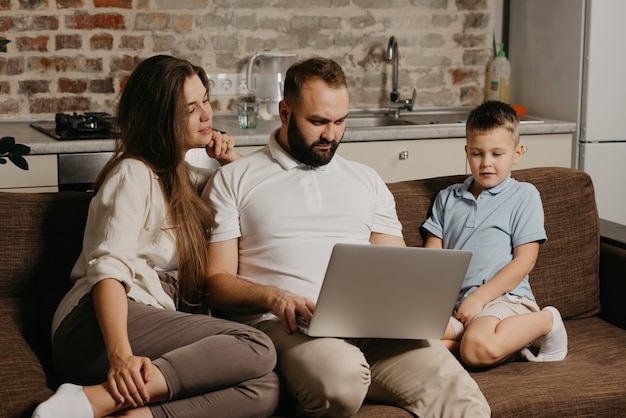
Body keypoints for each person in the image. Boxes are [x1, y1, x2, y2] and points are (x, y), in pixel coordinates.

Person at [201, 57, 490, 418]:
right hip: (286, 328)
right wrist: (275, 298)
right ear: (285, 112)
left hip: (374, 331)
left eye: (340, 122)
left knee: (465, 399)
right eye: (318, 121)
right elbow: (214, 282)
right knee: (341, 380)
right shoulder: (234, 179)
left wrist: (414, 308)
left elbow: (397, 267)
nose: (330, 134)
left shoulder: (366, 180)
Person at [33, 55, 279, 418]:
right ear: (161, 118)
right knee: (254, 344)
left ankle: (139, 414)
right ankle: (91, 400)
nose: (207, 115)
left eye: (206, 100)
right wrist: (121, 357)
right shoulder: (132, 173)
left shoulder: (186, 179)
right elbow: (108, 270)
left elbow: (259, 205)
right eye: (190, 108)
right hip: (94, 327)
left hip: (147, 322)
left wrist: (230, 161)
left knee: (267, 387)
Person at [422, 100, 568, 367]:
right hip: (458, 308)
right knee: (411, 339)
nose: (486, 163)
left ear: (517, 153)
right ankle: (491, 344)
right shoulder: (447, 198)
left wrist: (479, 298)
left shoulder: (524, 195)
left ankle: (547, 321)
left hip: (504, 299)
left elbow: (525, 261)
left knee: (476, 350)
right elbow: (433, 256)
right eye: (477, 154)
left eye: (497, 154)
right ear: (466, 151)